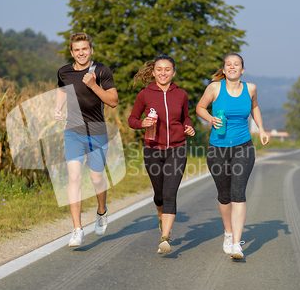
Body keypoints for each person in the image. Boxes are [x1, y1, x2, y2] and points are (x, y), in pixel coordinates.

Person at [196, 53, 269, 260]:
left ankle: (237, 244)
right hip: (217, 148)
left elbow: (254, 107)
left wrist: (262, 129)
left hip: (243, 147)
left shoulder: (251, 88)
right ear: (224, 69)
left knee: (238, 193)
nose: (232, 67)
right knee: (224, 195)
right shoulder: (214, 88)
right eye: (228, 64)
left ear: (242, 70)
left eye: (236, 64)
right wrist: (210, 119)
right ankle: (228, 233)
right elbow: (200, 107)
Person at [55, 32, 118, 247]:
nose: (81, 53)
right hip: (73, 131)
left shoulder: (101, 71)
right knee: (74, 177)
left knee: (96, 179)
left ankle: (101, 211)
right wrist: (57, 108)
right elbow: (62, 90)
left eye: (85, 49)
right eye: (77, 50)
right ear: (72, 53)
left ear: (91, 50)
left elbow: (113, 101)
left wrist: (92, 84)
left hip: (97, 131)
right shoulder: (64, 72)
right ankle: (77, 229)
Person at [128, 55, 195, 255]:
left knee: (170, 193)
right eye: (159, 69)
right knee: (159, 195)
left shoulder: (181, 94)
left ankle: (165, 237)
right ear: (154, 72)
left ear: (173, 72)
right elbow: (132, 119)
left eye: (167, 69)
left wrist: (188, 127)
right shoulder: (144, 94)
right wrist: (142, 124)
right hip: (152, 150)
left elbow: (186, 117)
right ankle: (161, 214)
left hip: (177, 148)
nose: (163, 73)